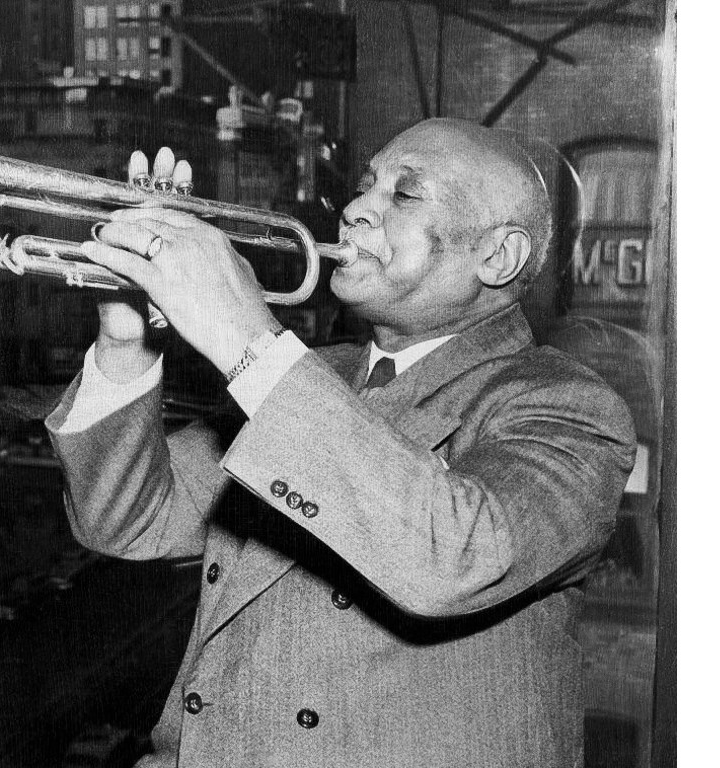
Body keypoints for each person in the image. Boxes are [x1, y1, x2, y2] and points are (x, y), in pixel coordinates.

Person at [43, 118, 636, 767]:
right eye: (364, 187)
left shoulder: (566, 405)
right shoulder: (312, 377)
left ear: (497, 256)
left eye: (402, 196)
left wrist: (246, 339)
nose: (354, 210)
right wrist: (128, 341)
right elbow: (128, 521)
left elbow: (457, 554)